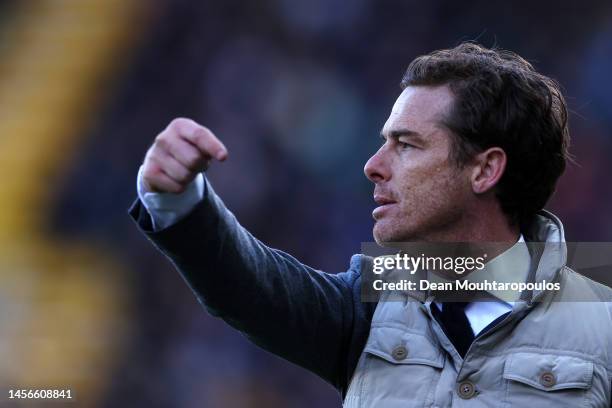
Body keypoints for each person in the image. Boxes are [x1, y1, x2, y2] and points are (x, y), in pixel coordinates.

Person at [129, 43, 612, 407]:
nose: (373, 165)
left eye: (406, 145)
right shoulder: (370, 303)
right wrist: (180, 201)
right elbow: (250, 285)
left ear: (484, 170)